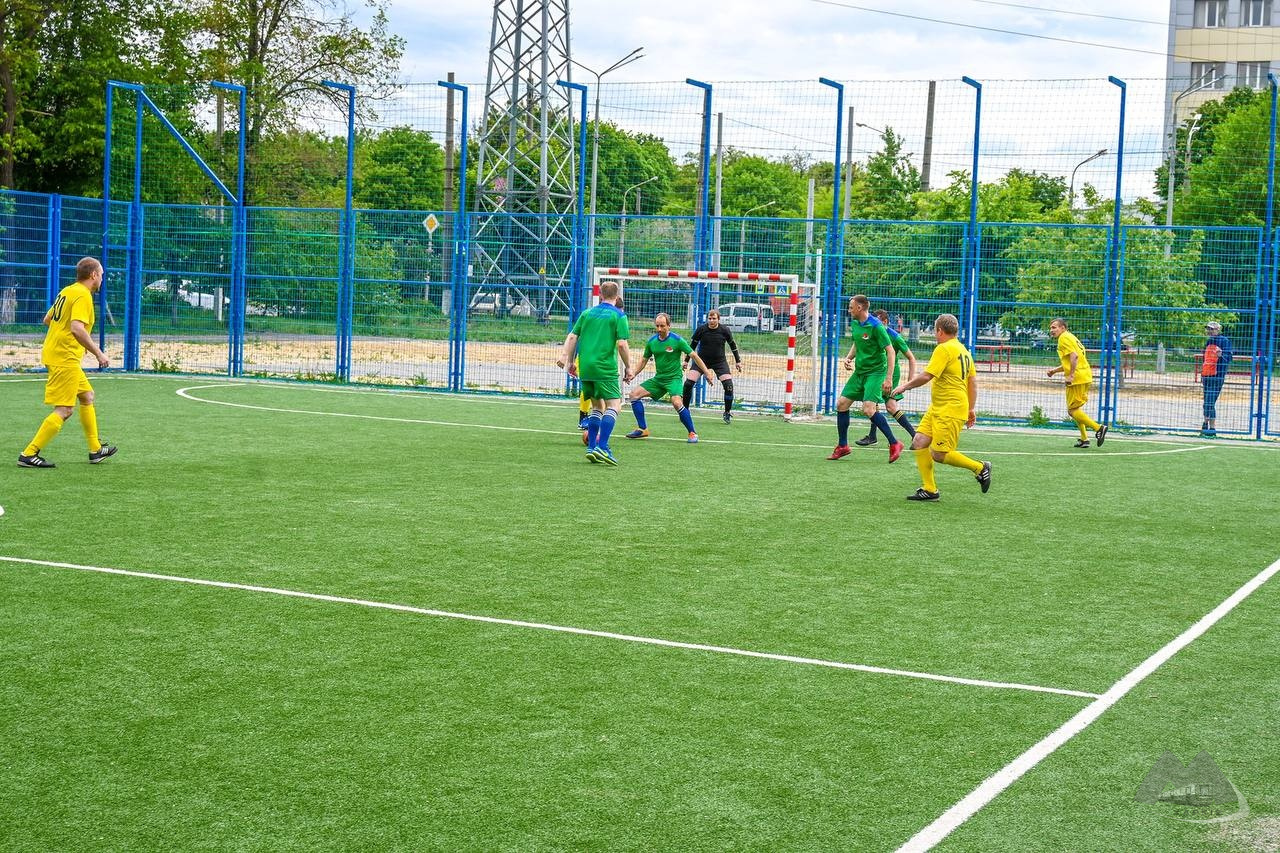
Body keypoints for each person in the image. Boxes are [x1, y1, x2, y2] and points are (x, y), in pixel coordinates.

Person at [18, 257, 118, 469]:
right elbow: (77, 328)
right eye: (101, 274)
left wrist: (63, 337)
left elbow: (48, 319)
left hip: (59, 354)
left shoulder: (68, 291)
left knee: (87, 395)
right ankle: (29, 453)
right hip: (65, 358)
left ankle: (95, 450)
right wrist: (98, 353)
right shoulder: (83, 295)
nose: (102, 278)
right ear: (93, 275)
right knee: (65, 409)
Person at [891, 313, 991, 501]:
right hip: (939, 407)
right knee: (919, 441)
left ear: (939, 331)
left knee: (939, 454)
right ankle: (930, 489)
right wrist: (971, 408)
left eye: (935, 332)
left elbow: (927, 375)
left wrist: (905, 386)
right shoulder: (963, 350)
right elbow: (973, 383)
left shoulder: (944, 349)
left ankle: (980, 467)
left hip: (950, 409)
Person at [557, 281, 633, 465]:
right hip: (604, 367)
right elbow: (622, 344)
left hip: (586, 367)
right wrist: (628, 367)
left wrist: (568, 360)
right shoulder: (619, 315)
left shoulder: (587, 313)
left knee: (597, 407)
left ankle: (591, 447)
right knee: (614, 405)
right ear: (617, 296)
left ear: (600, 295)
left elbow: (573, 337)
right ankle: (602, 446)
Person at [827, 294, 903, 463]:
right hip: (860, 372)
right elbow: (857, 342)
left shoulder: (876, 326)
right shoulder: (855, 323)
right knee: (841, 404)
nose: (849, 310)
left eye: (851, 307)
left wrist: (888, 378)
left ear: (859, 308)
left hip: (876, 373)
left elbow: (890, 351)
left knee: (868, 409)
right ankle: (843, 446)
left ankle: (894, 443)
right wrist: (849, 358)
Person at [625, 313, 716, 443]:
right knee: (633, 395)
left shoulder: (677, 340)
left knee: (677, 402)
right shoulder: (652, 342)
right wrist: (633, 374)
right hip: (659, 379)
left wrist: (707, 372)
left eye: (662, 326)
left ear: (669, 326)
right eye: (657, 326)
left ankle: (692, 433)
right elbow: (644, 360)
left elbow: (694, 356)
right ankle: (642, 429)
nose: (659, 329)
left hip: (674, 378)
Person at [855, 309, 917, 446]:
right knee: (875, 403)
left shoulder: (895, 337)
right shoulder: (872, 332)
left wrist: (910, 381)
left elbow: (911, 358)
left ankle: (915, 435)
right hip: (878, 371)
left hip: (891, 373)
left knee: (890, 406)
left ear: (885, 322)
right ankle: (873, 436)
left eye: (877, 321)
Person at [1046, 317, 1107, 448]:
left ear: (1063, 328)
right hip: (1084, 375)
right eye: (1050, 328)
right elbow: (1071, 360)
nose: (1051, 330)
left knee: (1072, 410)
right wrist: (1054, 371)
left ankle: (1099, 428)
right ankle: (1084, 439)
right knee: (1075, 409)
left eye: (1054, 327)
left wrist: (1071, 375)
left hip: (1077, 378)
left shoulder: (1063, 338)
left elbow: (1074, 356)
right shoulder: (1070, 337)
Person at [682, 308, 742, 424]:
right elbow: (692, 347)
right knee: (688, 383)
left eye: (714, 318)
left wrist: (738, 361)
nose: (711, 320)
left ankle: (727, 412)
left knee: (729, 386)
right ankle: (685, 411)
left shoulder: (725, 330)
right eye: (709, 318)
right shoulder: (701, 329)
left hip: (719, 362)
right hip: (701, 361)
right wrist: (686, 361)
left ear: (718, 319)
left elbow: (733, 345)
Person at [1200, 320, 1233, 437]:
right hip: (1207, 375)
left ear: (1218, 330)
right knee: (1207, 402)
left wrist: (1221, 355)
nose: (1209, 331)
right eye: (1208, 328)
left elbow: (1229, 358)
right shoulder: (1209, 341)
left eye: (1211, 329)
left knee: (1209, 401)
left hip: (1217, 376)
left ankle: (1211, 428)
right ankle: (1205, 425)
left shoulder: (1224, 341)